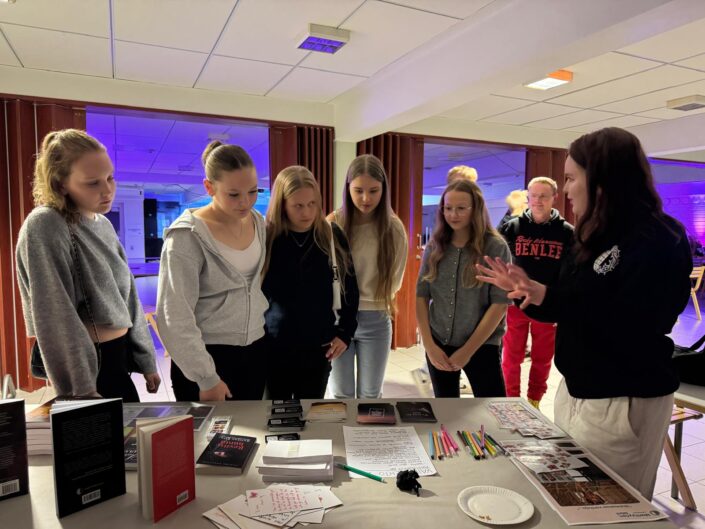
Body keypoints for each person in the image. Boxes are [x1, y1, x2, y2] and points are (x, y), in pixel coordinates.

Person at [477, 127, 692, 499]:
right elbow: (572, 302)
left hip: (623, 401)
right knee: (571, 502)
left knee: (609, 508)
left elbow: (634, 324)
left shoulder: (659, 238)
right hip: (578, 392)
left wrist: (553, 298)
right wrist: (537, 293)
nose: (567, 190)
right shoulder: (590, 235)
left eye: (572, 178)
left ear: (602, 180)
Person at [16, 129, 160, 400]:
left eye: (110, 178)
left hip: (118, 358)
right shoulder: (46, 224)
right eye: (93, 183)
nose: (107, 190)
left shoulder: (102, 223)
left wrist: (145, 359)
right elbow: (55, 314)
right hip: (86, 366)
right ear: (61, 184)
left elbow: (128, 295)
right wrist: (81, 388)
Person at [157, 141, 268, 401]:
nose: (246, 202)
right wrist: (206, 377)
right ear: (209, 187)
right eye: (234, 194)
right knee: (206, 429)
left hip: (255, 350)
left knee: (252, 426)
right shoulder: (185, 236)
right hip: (207, 356)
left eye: (253, 191)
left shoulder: (258, 222)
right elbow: (174, 315)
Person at [263, 166, 359, 400]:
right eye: (298, 205)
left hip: (319, 347)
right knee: (276, 414)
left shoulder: (331, 234)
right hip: (275, 347)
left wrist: (345, 333)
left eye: (312, 203)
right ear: (282, 205)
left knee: (310, 414)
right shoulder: (268, 237)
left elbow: (350, 287)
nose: (306, 212)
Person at [416, 179, 511, 398]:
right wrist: (429, 346)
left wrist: (467, 351)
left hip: (482, 344)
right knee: (447, 410)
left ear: (475, 209)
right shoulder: (435, 246)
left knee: (492, 407)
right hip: (439, 343)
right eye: (448, 208)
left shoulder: (495, 247)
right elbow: (421, 295)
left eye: (461, 208)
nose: (453, 215)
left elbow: (500, 304)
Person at [328, 154, 408, 398]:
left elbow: (395, 280)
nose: (366, 198)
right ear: (348, 189)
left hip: (375, 317)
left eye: (373, 191)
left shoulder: (393, 228)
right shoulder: (334, 223)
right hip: (338, 319)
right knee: (341, 395)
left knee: (371, 395)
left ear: (384, 189)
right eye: (358, 190)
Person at [499, 176, 573, 408]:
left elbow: (572, 270)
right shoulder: (512, 227)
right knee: (511, 356)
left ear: (554, 198)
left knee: (542, 357)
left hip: (547, 305)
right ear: (527, 197)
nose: (538, 201)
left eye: (543, 196)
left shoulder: (567, 232)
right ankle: (511, 400)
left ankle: (534, 401)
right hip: (516, 303)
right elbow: (497, 256)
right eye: (534, 196)